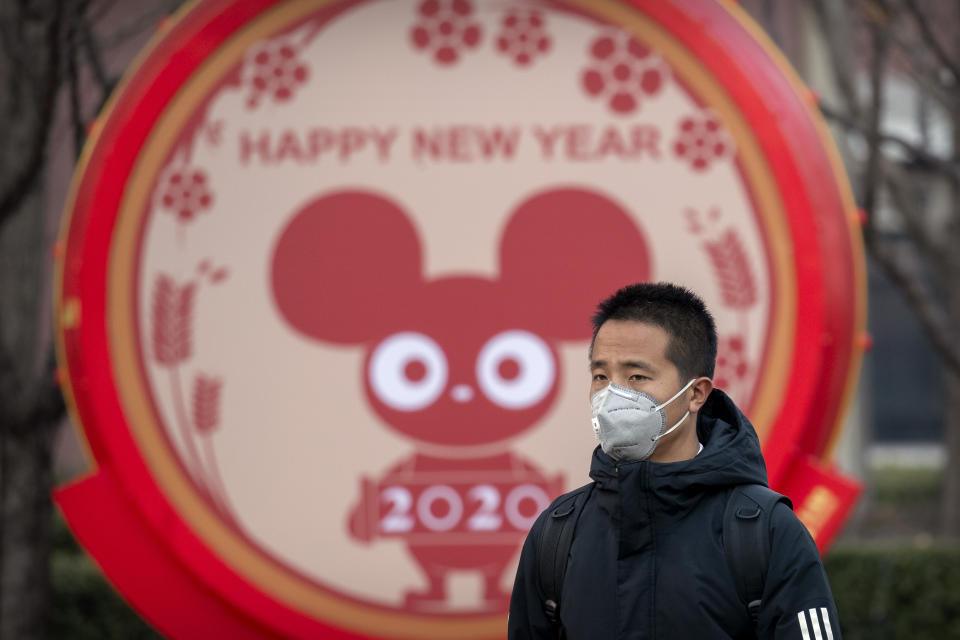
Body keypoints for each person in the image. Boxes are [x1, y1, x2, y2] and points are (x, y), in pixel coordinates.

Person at [508, 282, 841, 639]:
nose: (611, 394)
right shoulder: (558, 533)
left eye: (636, 376)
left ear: (696, 394)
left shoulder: (765, 531)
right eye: (601, 376)